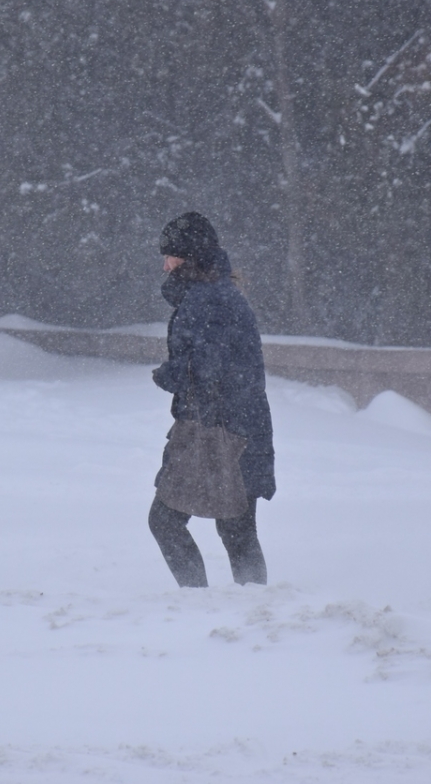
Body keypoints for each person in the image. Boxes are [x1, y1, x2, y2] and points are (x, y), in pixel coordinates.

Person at [148, 212, 275, 587]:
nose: (165, 265)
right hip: (239, 427)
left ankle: (198, 602)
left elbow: (209, 368)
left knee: (165, 521)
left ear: (189, 256)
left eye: (170, 256)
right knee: (237, 530)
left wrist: (171, 374)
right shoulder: (215, 295)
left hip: (216, 432)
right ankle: (256, 605)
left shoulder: (208, 301)